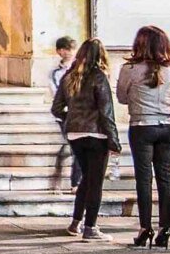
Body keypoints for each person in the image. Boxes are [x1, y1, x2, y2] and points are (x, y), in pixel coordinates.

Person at [115, 24, 170, 247]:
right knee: (165, 178)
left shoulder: (129, 69)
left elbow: (122, 97)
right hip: (168, 126)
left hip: (142, 126)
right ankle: (166, 227)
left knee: (144, 179)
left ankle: (145, 227)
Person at [52, 38, 121, 241]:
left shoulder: (69, 76)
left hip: (75, 135)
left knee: (86, 179)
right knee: (95, 182)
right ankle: (90, 226)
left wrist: (71, 120)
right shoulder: (99, 77)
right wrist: (114, 140)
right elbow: (106, 112)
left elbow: (56, 108)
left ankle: (76, 222)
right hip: (96, 135)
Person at [47, 35, 78, 190]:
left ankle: (75, 181)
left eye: (71, 49)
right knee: (73, 146)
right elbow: (55, 92)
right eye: (65, 49)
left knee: (75, 147)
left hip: (77, 113)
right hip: (64, 114)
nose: (69, 52)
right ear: (59, 51)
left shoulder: (80, 69)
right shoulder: (55, 73)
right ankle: (73, 182)